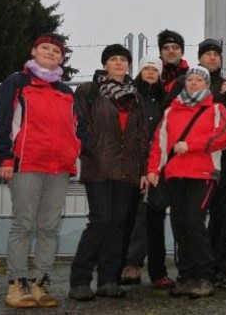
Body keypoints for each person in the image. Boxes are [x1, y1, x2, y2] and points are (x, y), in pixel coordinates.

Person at [0, 33, 81, 308]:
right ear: (34, 51)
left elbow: (78, 127)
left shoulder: (65, 91)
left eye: (56, 51)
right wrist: (3, 158)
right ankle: (17, 284)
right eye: (46, 48)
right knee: (23, 224)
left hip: (59, 168)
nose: (51, 53)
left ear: (62, 58)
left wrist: (74, 150)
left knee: (49, 227)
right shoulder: (16, 83)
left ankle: (41, 283)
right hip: (25, 164)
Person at [167, 39, 226, 288]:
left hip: (223, 159)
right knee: (188, 218)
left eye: (217, 54)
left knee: (220, 215)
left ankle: (218, 269)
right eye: (208, 54)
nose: (213, 58)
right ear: (200, 57)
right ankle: (189, 269)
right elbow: (168, 114)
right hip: (190, 161)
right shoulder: (187, 82)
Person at [69, 44, 149, 300]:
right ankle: (80, 280)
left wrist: (144, 169)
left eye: (123, 60)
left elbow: (142, 137)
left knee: (117, 225)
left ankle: (108, 280)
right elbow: (79, 126)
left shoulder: (135, 96)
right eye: (113, 59)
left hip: (127, 170)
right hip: (99, 167)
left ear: (128, 65)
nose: (118, 63)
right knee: (100, 220)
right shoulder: (89, 91)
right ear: (105, 64)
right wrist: (90, 149)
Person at [146, 66, 226, 298]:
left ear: (207, 84)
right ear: (184, 84)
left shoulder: (217, 109)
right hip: (175, 174)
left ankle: (205, 276)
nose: (194, 83)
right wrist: (153, 170)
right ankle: (186, 276)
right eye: (190, 79)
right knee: (180, 224)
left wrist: (192, 144)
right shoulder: (171, 112)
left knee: (194, 222)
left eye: (199, 80)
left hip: (204, 174)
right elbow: (159, 144)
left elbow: (224, 135)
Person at [119, 55, 176, 289]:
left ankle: (158, 271)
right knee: (130, 218)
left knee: (155, 218)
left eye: (155, 69)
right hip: (133, 166)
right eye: (147, 68)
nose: (151, 72)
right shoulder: (130, 97)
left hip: (159, 166)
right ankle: (128, 264)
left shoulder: (166, 100)